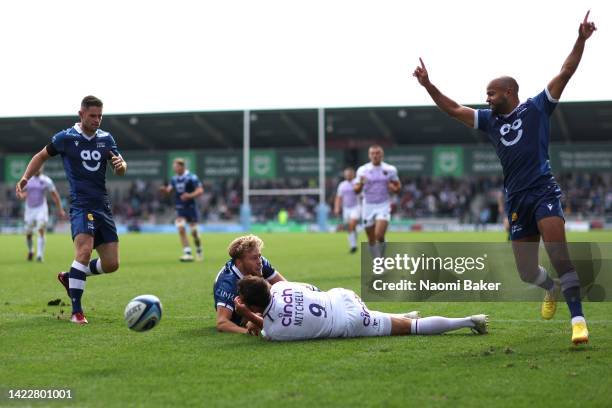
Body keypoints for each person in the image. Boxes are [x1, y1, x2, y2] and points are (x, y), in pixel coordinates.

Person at [413, 11, 596, 345]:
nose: (486, 98)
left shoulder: (538, 107)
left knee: (559, 255)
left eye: (491, 93)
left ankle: (578, 321)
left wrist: (580, 39)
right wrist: (428, 86)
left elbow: (566, 71)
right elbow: (454, 109)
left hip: (543, 191)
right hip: (516, 199)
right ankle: (550, 288)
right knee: (527, 271)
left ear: (509, 92)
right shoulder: (489, 121)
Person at [15, 95, 127, 325]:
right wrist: (26, 177)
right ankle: (76, 312)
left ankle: (70, 276)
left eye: (100, 116)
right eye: (92, 116)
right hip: (81, 204)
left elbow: (120, 167)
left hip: (102, 206)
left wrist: (121, 166)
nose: (97, 120)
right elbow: (40, 155)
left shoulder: (107, 138)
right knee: (84, 252)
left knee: (111, 264)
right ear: (81, 114)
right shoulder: (66, 138)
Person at [234, 276, 488, 341]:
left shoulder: (276, 331)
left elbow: (267, 329)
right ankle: (400, 316)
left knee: (413, 329)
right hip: (343, 297)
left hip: (348, 322)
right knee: (392, 319)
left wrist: (246, 315)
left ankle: (469, 321)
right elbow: (311, 289)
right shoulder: (280, 288)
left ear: (253, 305)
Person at [213, 235, 287, 334]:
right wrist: (247, 332)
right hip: (240, 317)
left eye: (259, 256)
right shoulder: (228, 283)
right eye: (254, 258)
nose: (259, 262)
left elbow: (285, 286)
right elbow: (222, 323)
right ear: (239, 262)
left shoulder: (261, 262)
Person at [354, 145, 401, 258]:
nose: (375, 155)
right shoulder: (362, 170)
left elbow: (398, 187)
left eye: (377, 153)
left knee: (379, 235)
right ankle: (377, 262)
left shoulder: (390, 169)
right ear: (369, 155)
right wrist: (361, 183)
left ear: (382, 155)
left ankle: (382, 259)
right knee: (371, 239)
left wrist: (393, 188)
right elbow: (356, 190)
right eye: (373, 153)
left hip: (383, 205)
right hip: (368, 205)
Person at [16, 166, 66, 262]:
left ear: (41, 168)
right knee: (28, 234)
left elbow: (55, 195)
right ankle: (31, 251)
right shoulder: (27, 180)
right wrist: (20, 195)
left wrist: (60, 209)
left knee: (40, 229)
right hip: (29, 209)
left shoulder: (46, 180)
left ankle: (39, 255)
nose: (37, 169)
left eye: (39, 167)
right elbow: (22, 192)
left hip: (41, 208)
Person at [160, 158, 204, 262]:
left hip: (191, 208)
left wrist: (189, 195)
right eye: (174, 167)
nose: (174, 169)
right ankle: (187, 253)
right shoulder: (174, 179)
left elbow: (200, 190)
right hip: (180, 208)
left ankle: (198, 248)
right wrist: (164, 191)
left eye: (176, 167)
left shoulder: (191, 177)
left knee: (194, 233)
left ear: (182, 167)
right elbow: (169, 190)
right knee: (181, 228)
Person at [333, 167, 361, 254]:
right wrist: (337, 207)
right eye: (346, 174)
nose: (348, 175)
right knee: (350, 228)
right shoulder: (342, 185)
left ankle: (353, 245)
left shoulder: (357, 183)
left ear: (353, 174)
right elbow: (339, 197)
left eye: (349, 174)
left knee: (352, 224)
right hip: (346, 208)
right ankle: (353, 245)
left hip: (356, 207)